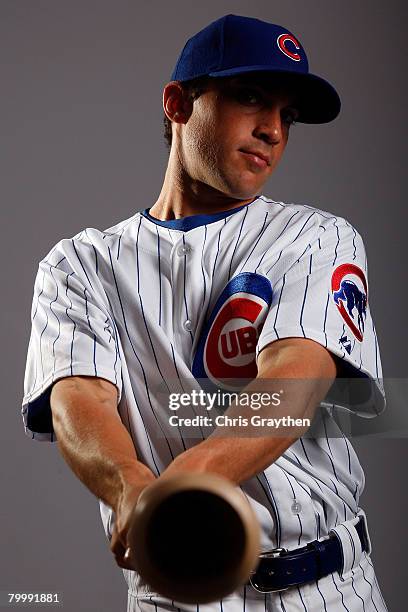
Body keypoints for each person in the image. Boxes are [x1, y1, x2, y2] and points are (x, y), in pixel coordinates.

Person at [21, 14, 388, 612]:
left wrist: (181, 485)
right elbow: (78, 401)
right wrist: (130, 489)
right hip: (174, 593)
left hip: (325, 585)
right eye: (251, 98)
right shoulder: (80, 264)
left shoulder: (314, 237)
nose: (273, 129)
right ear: (177, 103)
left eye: (287, 116)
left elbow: (297, 374)